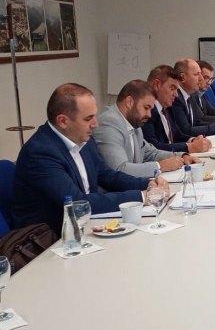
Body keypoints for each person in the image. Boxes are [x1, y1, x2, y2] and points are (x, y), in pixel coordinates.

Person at [11, 83, 169, 233]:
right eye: (88, 119)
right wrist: (140, 196)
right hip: (52, 239)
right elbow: (76, 203)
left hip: (87, 225)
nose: (95, 124)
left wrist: (147, 183)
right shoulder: (40, 153)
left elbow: (106, 175)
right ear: (63, 121)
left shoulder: (82, 138)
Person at [94, 80, 199, 178]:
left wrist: (182, 157)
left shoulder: (134, 122)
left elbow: (150, 153)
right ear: (129, 102)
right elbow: (119, 169)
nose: (149, 115)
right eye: (146, 108)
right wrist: (160, 166)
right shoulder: (109, 123)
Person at [142, 65, 212, 154]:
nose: (176, 94)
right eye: (172, 88)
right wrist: (190, 147)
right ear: (157, 85)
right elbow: (154, 147)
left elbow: (176, 134)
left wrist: (193, 140)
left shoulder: (166, 108)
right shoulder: (146, 112)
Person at [170, 58, 215, 136]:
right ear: (183, 77)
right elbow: (186, 130)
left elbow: (198, 120)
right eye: (197, 74)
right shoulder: (176, 98)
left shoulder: (189, 94)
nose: (201, 78)